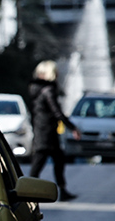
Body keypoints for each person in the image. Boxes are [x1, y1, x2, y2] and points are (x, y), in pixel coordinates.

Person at [27, 60, 81, 201]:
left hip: (42, 130)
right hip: (47, 133)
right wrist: (72, 127)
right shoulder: (48, 90)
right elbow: (57, 112)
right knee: (39, 163)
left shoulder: (36, 88)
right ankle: (27, 194)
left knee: (54, 160)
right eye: (55, 73)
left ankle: (60, 190)